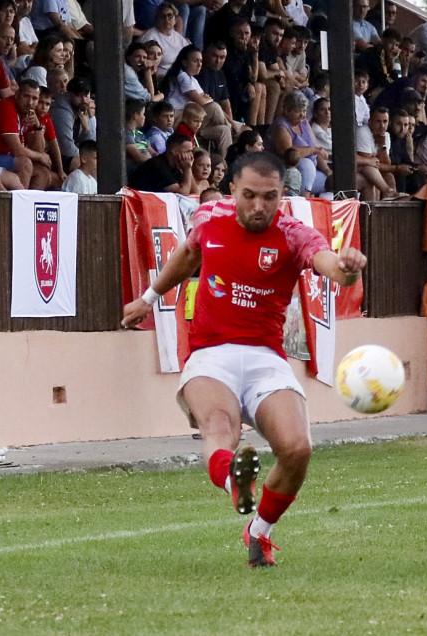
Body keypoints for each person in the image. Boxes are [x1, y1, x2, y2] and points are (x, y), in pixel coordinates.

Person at [121, 152, 367, 567]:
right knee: (219, 426)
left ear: (281, 195)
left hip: (265, 358)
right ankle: (236, 481)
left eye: (269, 197)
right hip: (210, 355)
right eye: (249, 195)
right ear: (232, 189)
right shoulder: (209, 217)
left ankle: (259, 530)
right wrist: (148, 299)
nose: (258, 206)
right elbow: (186, 256)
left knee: (297, 448)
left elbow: (330, 266)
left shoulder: (293, 234)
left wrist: (350, 270)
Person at [0, 78, 51, 189]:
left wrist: (37, 127)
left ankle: (28, 204)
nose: (30, 102)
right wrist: (41, 157)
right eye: (26, 96)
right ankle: (19, 203)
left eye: (34, 98)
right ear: (17, 95)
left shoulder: (29, 113)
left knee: (42, 172)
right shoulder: (6, 107)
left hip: (4, 156)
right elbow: (17, 150)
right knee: (24, 164)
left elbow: (38, 149)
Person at [128, 130, 195, 194]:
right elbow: (183, 193)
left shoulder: (175, 167)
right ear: (174, 151)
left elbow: (194, 191)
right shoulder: (157, 165)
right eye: (188, 151)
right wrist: (187, 169)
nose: (191, 156)